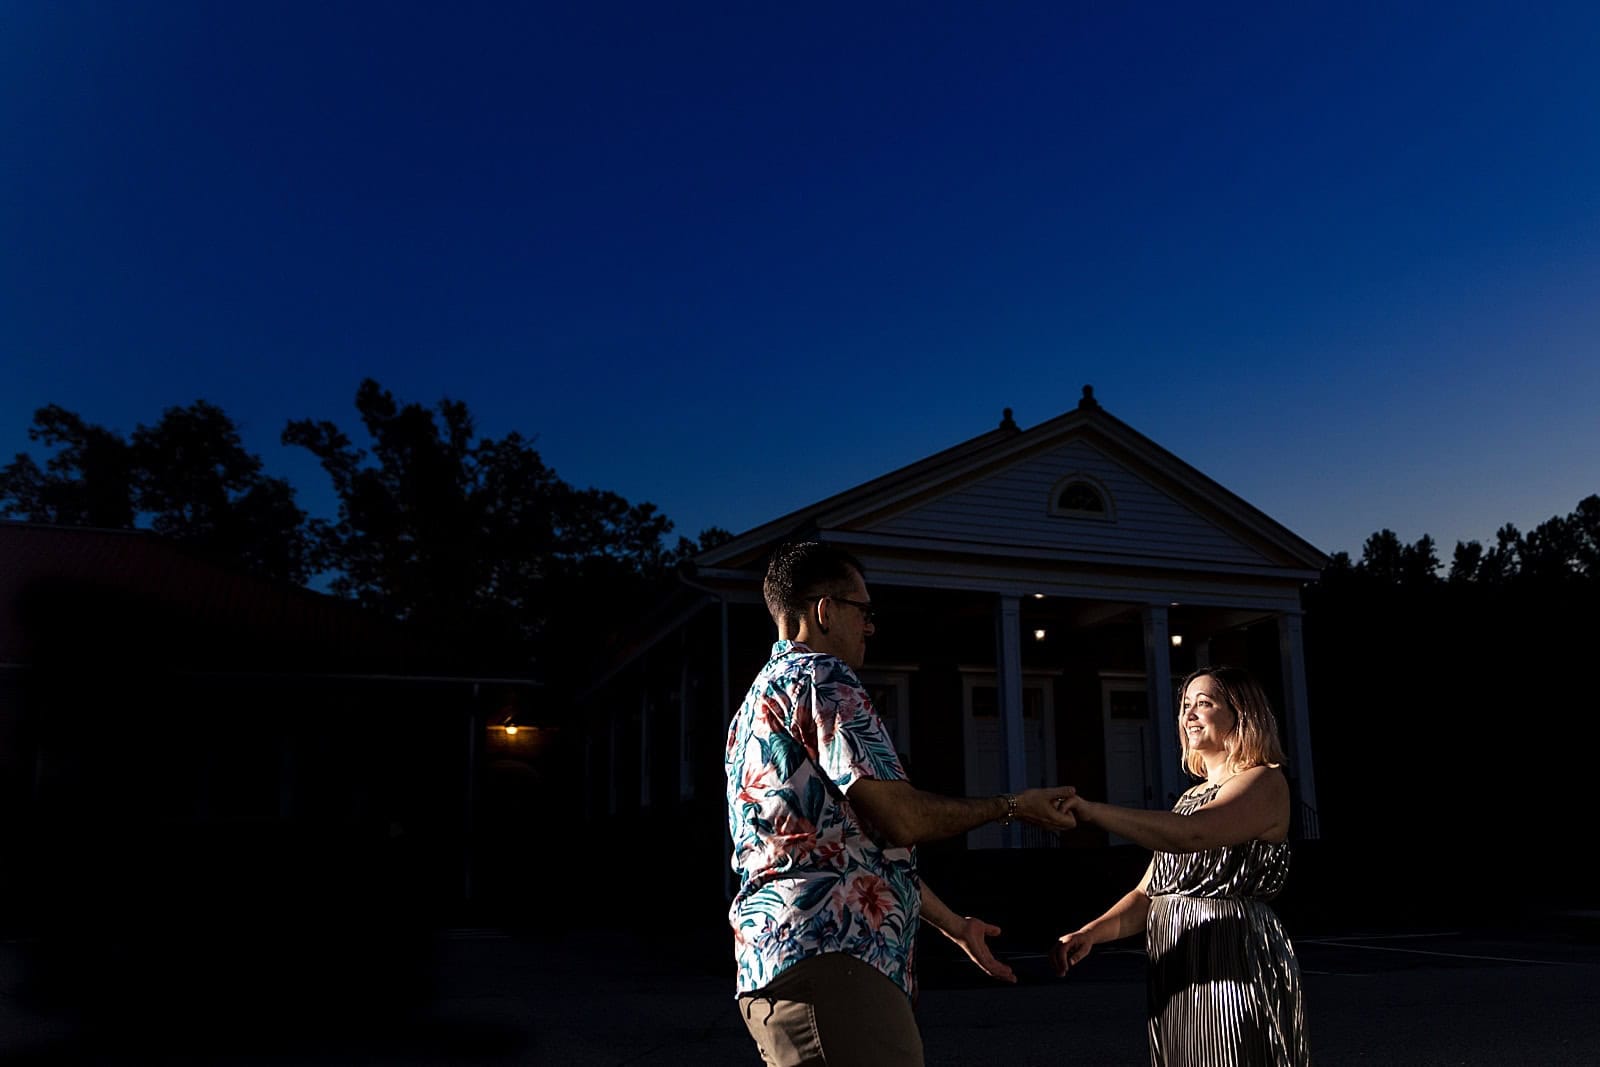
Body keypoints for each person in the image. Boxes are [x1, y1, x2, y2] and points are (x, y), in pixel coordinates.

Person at [727, 541, 1077, 1067]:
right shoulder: (824, 678)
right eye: (862, 611)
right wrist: (1013, 806)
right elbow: (901, 817)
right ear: (825, 611)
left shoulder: (754, 704)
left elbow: (856, 847)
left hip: (776, 967)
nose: (870, 626)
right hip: (834, 962)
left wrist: (955, 926)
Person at [1052, 665, 1310, 1066]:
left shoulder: (1264, 782)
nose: (1188, 714)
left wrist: (1092, 811)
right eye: (1185, 704)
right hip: (1177, 964)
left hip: (1232, 957)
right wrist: (1091, 933)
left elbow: (1192, 835)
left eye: (1204, 704)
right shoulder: (1188, 798)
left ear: (1242, 714)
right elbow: (1147, 893)